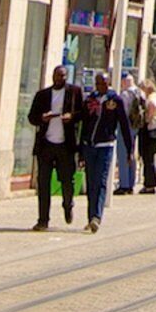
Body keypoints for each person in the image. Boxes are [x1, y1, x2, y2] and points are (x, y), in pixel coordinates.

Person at [30, 62, 82, 230]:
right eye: (59, 75)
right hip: (46, 144)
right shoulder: (42, 95)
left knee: (67, 181)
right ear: (53, 76)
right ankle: (43, 219)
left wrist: (71, 117)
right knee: (43, 182)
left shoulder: (74, 92)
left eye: (65, 75)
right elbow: (32, 117)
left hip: (65, 145)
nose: (62, 78)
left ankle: (68, 205)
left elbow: (82, 114)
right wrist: (42, 118)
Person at [77, 79, 121, 231]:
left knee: (101, 180)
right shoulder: (90, 99)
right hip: (90, 146)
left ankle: (97, 216)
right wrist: (81, 150)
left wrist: (130, 149)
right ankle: (90, 218)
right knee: (91, 182)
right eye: (98, 83)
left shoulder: (115, 100)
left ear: (108, 84)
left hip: (105, 146)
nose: (100, 86)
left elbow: (124, 124)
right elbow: (84, 123)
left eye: (103, 83)